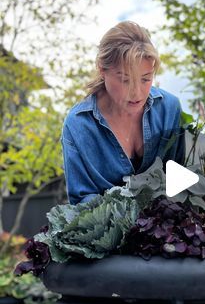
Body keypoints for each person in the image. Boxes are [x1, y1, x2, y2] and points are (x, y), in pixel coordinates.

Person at [61, 21, 185, 205]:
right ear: (102, 70)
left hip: (168, 228)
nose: (137, 93)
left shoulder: (169, 109)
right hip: (106, 230)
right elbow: (81, 202)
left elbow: (180, 183)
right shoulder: (78, 125)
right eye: (125, 80)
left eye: (145, 79)